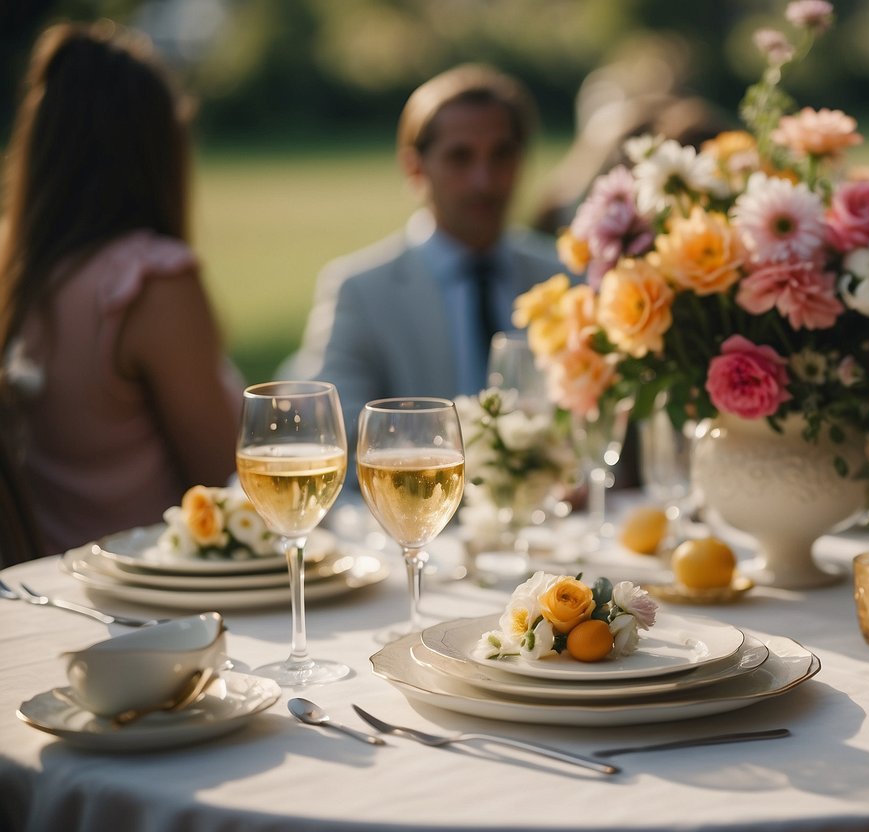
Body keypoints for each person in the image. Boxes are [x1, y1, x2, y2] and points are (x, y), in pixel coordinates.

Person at [0, 21, 242, 557]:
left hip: (44, 589)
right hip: (152, 596)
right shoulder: (149, 281)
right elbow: (224, 481)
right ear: (155, 147)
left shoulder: (18, 272)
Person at [298, 64, 561, 444]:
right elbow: (337, 436)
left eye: (501, 154)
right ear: (415, 168)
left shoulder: (565, 277)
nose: (483, 180)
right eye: (460, 157)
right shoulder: (360, 291)